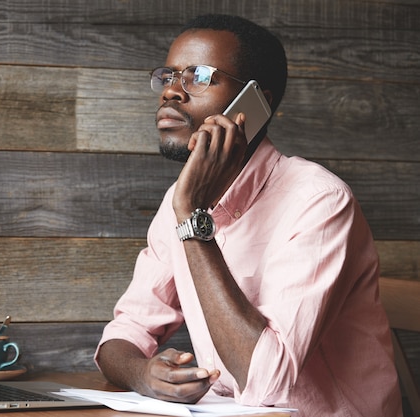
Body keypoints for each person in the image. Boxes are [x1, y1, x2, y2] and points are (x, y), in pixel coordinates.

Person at [95, 14, 402, 416]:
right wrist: (143, 373)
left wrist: (192, 218)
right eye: (169, 75)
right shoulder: (180, 198)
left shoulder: (320, 201)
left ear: (256, 103)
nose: (171, 91)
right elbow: (124, 333)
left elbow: (265, 380)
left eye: (200, 76)